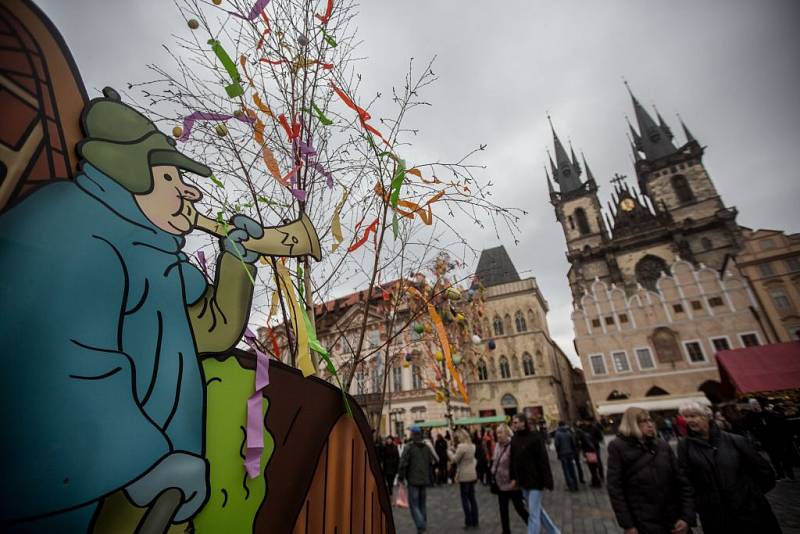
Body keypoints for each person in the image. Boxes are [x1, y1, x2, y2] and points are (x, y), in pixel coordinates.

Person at [0, 88, 266, 531]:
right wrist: (142, 459)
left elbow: (207, 332)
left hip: (126, 492)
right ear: (129, 173)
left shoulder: (148, 251)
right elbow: (62, 361)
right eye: (172, 179)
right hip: (59, 494)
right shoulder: (74, 230)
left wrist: (236, 261)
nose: (191, 192)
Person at [678, 401, 782, 534]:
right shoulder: (685, 446)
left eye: (694, 416)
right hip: (715, 516)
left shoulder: (735, 440)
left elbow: (765, 474)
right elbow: (685, 480)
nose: (690, 420)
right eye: (686, 417)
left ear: (707, 416)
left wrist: (750, 496)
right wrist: (702, 504)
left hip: (750, 513)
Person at [606, 407, 694, 534]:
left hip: (674, 520)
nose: (650, 424)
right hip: (643, 522)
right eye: (643, 421)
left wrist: (686, 517)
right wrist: (628, 525)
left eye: (650, 420)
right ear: (632, 424)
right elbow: (615, 489)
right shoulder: (617, 447)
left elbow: (682, 482)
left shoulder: (662, 445)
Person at [509, 413, 559, 534]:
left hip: (536, 480)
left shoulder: (535, 438)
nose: (513, 425)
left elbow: (543, 460)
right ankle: (554, 531)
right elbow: (513, 460)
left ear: (523, 422)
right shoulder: (514, 439)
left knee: (533, 513)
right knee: (536, 510)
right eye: (513, 423)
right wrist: (513, 478)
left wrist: (548, 480)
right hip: (523, 481)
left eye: (515, 422)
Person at [398, 427, 437, 534]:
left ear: (413, 434)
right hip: (424, 479)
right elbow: (431, 461)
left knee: (414, 505)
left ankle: (421, 525)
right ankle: (422, 524)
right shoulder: (426, 447)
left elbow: (403, 464)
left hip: (413, 480)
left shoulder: (409, 447)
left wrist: (401, 477)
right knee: (422, 504)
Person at [492, 423, 529, 534]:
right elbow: (495, 460)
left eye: (500, 432)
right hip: (500, 483)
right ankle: (506, 531)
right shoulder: (497, 445)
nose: (498, 435)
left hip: (512, 484)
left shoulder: (512, 445)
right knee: (503, 510)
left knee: (520, 508)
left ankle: (532, 526)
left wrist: (515, 479)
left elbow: (517, 464)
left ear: (507, 433)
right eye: (497, 432)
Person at [449, 429, 480, 529]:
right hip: (472, 474)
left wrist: (449, 452)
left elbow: (454, 459)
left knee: (465, 500)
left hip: (464, 475)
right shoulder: (472, 446)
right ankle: (475, 521)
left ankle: (469, 521)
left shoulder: (461, 447)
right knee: (473, 499)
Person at [553, 421, 579, 491]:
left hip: (563, 454)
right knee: (572, 469)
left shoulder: (557, 434)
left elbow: (557, 444)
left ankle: (570, 485)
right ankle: (575, 484)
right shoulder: (568, 432)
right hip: (570, 453)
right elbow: (573, 443)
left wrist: (558, 453)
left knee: (566, 470)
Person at [575, 422, 602, 487]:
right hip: (591, 451)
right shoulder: (586, 435)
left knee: (593, 468)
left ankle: (596, 482)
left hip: (590, 452)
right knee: (593, 468)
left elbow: (588, 445)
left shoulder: (583, 436)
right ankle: (595, 481)